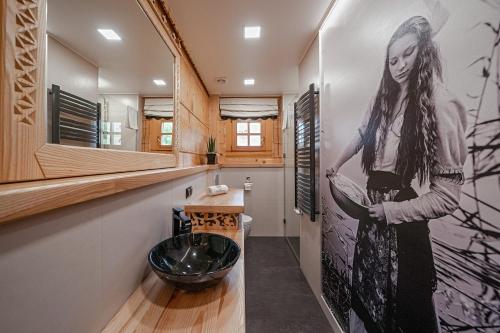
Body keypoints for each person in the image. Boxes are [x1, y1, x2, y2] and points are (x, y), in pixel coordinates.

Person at [326, 14, 468, 333]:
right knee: (369, 298)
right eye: (393, 59)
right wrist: (336, 164)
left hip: (402, 222)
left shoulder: (438, 104)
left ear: (425, 52)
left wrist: (391, 210)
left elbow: (447, 196)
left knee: (410, 307)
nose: (400, 65)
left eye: (409, 53)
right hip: (372, 212)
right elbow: (363, 131)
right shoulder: (383, 98)